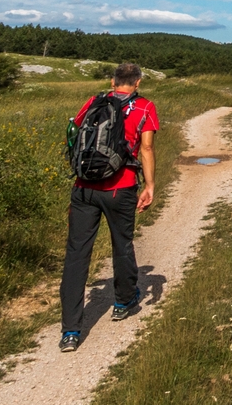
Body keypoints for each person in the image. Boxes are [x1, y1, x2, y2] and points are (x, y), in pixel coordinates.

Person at [59, 63, 158, 352]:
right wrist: (150, 185)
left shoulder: (94, 101)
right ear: (138, 83)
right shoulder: (145, 107)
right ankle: (123, 302)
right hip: (120, 188)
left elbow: (74, 133)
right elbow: (146, 148)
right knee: (121, 244)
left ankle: (70, 331)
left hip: (84, 187)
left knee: (76, 254)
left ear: (113, 82)